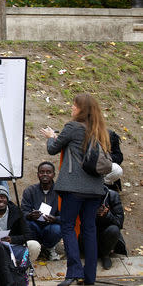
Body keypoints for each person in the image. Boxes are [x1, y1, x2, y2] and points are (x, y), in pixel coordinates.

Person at [41, 93, 110, 286]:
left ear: (82, 110)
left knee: (68, 226)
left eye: (75, 106)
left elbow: (53, 149)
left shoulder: (72, 127)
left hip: (73, 188)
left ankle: (73, 272)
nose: (72, 108)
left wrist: (50, 137)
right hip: (95, 189)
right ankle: (89, 277)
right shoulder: (100, 130)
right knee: (89, 229)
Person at [0, 185, 40, 286]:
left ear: (7, 198)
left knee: (34, 245)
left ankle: (23, 270)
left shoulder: (16, 211)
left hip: (16, 246)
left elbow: (28, 235)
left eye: (3, 197)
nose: (1, 200)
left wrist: (12, 239)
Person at [21, 161, 62, 261]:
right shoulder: (30, 191)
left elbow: (66, 216)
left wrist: (55, 219)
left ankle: (49, 248)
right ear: (38, 174)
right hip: (35, 225)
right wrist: (30, 215)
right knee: (26, 223)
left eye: (48, 172)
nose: (45, 174)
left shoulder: (60, 192)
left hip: (51, 226)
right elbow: (23, 212)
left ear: (53, 174)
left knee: (57, 228)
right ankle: (34, 248)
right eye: (42, 172)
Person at [94, 185, 127, 270]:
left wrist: (107, 215)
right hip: (89, 233)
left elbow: (119, 223)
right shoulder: (83, 195)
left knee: (114, 230)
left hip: (106, 233)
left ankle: (105, 254)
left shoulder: (112, 195)